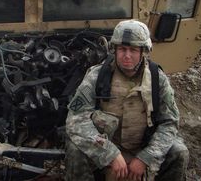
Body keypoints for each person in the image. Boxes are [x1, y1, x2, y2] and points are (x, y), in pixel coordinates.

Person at [65, 20, 189, 181]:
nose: (127, 55)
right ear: (114, 50)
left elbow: (169, 122)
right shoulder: (97, 76)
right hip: (106, 144)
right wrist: (109, 153)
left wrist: (146, 157)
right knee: (75, 149)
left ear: (143, 51)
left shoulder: (158, 80)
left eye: (133, 50)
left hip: (142, 146)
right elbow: (76, 120)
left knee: (179, 152)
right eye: (122, 49)